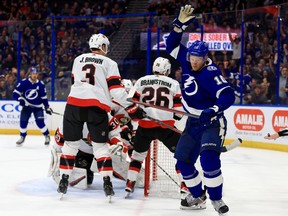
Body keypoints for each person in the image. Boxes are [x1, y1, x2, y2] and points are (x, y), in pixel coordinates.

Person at [57, 33, 145, 199]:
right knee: (100, 147)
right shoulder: (109, 62)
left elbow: (77, 81)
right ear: (104, 47)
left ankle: (63, 180)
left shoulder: (78, 59)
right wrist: (133, 109)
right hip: (96, 107)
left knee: (70, 145)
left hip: (73, 104)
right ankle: (107, 183)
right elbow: (117, 92)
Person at [165, 5, 235, 215]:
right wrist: (179, 26)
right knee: (183, 161)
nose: (193, 62)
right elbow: (171, 45)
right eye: (191, 59)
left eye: (197, 60)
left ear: (205, 58)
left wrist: (213, 109)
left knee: (208, 160)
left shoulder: (211, 73)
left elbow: (228, 95)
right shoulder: (187, 59)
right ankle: (197, 194)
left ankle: (216, 199)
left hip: (211, 122)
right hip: (193, 122)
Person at [124, 57, 189, 197]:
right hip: (166, 128)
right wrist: (174, 118)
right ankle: (185, 184)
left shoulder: (141, 81)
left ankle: (130, 182)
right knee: (182, 156)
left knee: (137, 157)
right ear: (167, 70)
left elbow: (130, 103)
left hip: (145, 127)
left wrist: (137, 113)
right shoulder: (173, 83)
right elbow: (178, 111)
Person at [49, 113, 144, 189]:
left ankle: (131, 175)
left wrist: (120, 145)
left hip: (103, 152)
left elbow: (115, 136)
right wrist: (58, 165)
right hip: (82, 154)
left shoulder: (105, 116)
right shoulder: (71, 117)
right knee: (84, 181)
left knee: (141, 180)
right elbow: (57, 146)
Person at [13, 67, 52, 146]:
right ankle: (22, 137)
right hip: (27, 107)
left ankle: (47, 135)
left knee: (40, 122)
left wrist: (47, 106)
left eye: (36, 74)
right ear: (30, 74)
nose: (35, 75)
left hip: (38, 107)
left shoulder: (40, 84)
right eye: (33, 73)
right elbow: (15, 93)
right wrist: (20, 99)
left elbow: (44, 97)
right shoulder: (24, 82)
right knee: (23, 122)